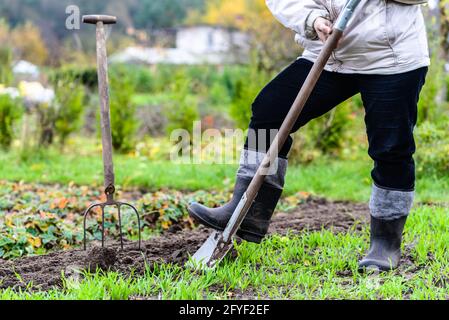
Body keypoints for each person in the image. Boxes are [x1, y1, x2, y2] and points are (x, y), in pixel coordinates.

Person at [188, 0, 430, 271]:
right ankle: (247, 209)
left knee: (390, 146)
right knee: (270, 111)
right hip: (328, 52)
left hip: (390, 58)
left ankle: (385, 243)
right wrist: (311, 19)